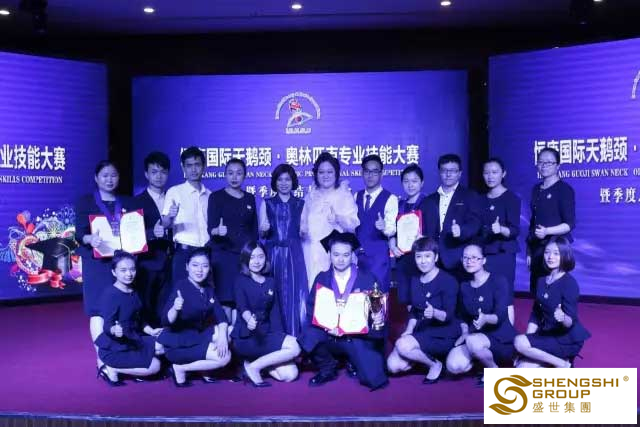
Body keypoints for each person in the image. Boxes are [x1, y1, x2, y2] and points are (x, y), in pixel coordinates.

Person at [299, 230, 388, 391]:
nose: (340, 259)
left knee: (373, 378)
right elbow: (312, 309)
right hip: (329, 334)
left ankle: (353, 362)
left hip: (356, 336)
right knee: (308, 335)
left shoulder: (368, 278)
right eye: (336, 254)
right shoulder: (322, 278)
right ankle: (328, 367)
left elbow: (377, 311)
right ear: (329, 254)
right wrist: (326, 326)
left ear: (352, 255)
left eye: (346, 255)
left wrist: (375, 319)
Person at [75, 160, 138, 368]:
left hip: (121, 264)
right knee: (97, 309)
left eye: (113, 175)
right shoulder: (85, 202)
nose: (109, 180)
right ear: (96, 178)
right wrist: (89, 239)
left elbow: (135, 231)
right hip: (97, 263)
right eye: (105, 175)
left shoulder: (128, 201)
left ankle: (121, 355)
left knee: (120, 307)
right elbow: (79, 233)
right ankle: (102, 360)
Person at [386, 238, 458, 384]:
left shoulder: (448, 281)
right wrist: (409, 330)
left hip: (443, 333)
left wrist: (435, 313)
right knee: (393, 366)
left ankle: (434, 365)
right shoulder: (415, 279)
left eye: (427, 256)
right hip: (422, 331)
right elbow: (414, 310)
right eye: (419, 257)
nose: (423, 261)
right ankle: (424, 358)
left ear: (436, 257)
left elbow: (449, 315)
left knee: (402, 345)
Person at [158, 248, 231, 387]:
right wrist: (175, 308)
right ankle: (180, 368)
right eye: (195, 265)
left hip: (197, 336)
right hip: (179, 343)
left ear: (209, 269)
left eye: (204, 266)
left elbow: (221, 317)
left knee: (228, 333)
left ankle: (203, 368)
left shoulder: (208, 289)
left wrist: (222, 337)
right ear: (187, 267)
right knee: (225, 358)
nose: (199, 270)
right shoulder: (181, 286)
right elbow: (166, 321)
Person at [232, 241, 301, 387]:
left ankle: (252, 364)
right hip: (247, 338)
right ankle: (253, 368)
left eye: (260, 256)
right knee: (295, 346)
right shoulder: (240, 281)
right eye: (252, 257)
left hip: (266, 336)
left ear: (266, 258)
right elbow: (242, 307)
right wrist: (249, 319)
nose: (256, 261)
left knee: (290, 375)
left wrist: (280, 341)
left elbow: (275, 314)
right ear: (245, 259)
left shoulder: (270, 282)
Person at [446, 244, 516, 386]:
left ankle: (493, 370)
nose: (469, 261)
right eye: (465, 258)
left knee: (473, 342)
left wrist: (486, 318)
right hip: (476, 336)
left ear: (483, 260)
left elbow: (501, 315)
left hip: (500, 336)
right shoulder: (464, 285)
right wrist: (465, 332)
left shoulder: (498, 280)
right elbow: (461, 315)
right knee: (453, 366)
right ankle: (481, 362)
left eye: (474, 258)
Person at [514, 237, 590, 368]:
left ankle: (563, 364)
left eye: (556, 253)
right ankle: (558, 363)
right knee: (521, 367)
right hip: (548, 334)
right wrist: (529, 340)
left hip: (567, 339)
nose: (550, 257)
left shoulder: (569, 283)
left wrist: (563, 317)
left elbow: (570, 322)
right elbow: (536, 313)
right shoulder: (541, 280)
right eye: (547, 252)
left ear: (565, 255)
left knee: (518, 342)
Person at [94, 251, 163, 386]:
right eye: (123, 270)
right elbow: (107, 326)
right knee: (156, 366)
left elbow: (139, 319)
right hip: (115, 348)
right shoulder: (110, 294)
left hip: (132, 339)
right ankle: (112, 368)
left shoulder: (133, 291)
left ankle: (133, 367)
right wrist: (114, 330)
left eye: (132, 269)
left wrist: (151, 331)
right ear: (114, 272)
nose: (129, 274)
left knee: (163, 346)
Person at [259, 163, 308, 336]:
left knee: (295, 293)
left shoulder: (301, 204)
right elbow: (262, 233)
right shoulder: (267, 203)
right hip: (273, 254)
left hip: (294, 254)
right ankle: (275, 336)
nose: (284, 183)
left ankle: (295, 335)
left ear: (293, 181)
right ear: (275, 182)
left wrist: (303, 231)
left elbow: (304, 231)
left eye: (287, 179)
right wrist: (263, 230)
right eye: (280, 179)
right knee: (274, 292)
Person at [208, 158, 258, 323]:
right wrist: (218, 231)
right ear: (225, 175)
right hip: (223, 255)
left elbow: (254, 230)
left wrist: (254, 254)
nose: (234, 177)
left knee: (242, 297)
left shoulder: (250, 198)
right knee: (225, 298)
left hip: (244, 256)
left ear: (244, 176)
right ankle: (226, 333)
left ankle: (240, 335)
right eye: (230, 173)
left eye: (239, 173)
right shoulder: (216, 197)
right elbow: (210, 228)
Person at [300, 152, 359, 290]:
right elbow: (302, 224)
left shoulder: (344, 195)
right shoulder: (310, 197)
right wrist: (302, 231)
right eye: (321, 172)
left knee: (336, 289)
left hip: (336, 253)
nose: (325, 176)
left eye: (329, 172)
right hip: (311, 252)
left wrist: (338, 218)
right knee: (313, 288)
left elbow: (353, 224)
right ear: (316, 174)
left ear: (336, 173)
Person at [423, 154, 481, 282]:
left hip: (458, 259)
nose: (448, 174)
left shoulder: (470, 196)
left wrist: (461, 231)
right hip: (433, 261)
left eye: (453, 171)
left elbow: (475, 222)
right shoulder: (429, 200)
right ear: (439, 172)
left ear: (460, 173)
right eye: (444, 170)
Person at [527, 147, 576, 295]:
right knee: (537, 291)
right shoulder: (536, 189)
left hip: (556, 250)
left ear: (558, 166)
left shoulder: (564, 190)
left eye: (549, 162)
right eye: (541, 162)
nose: (544, 166)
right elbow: (533, 222)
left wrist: (547, 231)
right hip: (537, 248)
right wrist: (529, 252)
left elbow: (569, 224)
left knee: (553, 292)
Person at [479, 158, 521, 324]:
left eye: (494, 172)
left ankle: (508, 334)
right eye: (486, 173)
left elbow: (515, 230)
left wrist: (502, 229)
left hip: (504, 253)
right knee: (487, 293)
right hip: (484, 253)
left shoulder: (511, 198)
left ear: (503, 174)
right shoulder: (480, 199)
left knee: (505, 294)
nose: (490, 176)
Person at [161, 146, 211, 284]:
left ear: (204, 166)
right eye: (189, 166)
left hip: (206, 252)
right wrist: (170, 216)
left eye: (197, 165)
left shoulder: (210, 195)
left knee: (205, 293)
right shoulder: (174, 192)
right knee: (182, 293)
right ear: (183, 167)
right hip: (184, 252)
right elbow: (165, 224)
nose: (193, 169)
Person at [135, 152, 173, 326]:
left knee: (168, 305)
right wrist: (151, 233)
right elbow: (131, 234)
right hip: (149, 261)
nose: (159, 176)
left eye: (163, 172)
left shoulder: (174, 198)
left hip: (172, 261)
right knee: (147, 305)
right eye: (154, 172)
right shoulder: (137, 201)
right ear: (146, 174)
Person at [354, 154, 398, 292]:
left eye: (374, 171)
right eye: (367, 171)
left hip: (378, 260)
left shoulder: (390, 198)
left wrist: (384, 227)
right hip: (358, 258)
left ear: (381, 174)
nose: (370, 175)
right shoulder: (356, 196)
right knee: (358, 298)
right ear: (362, 173)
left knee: (378, 298)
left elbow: (392, 229)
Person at [389, 164, 426, 305]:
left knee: (420, 296)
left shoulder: (428, 203)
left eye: (414, 181)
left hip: (422, 258)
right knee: (404, 298)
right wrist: (392, 246)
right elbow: (392, 231)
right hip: (403, 258)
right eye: (406, 181)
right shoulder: (399, 205)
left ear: (422, 183)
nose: (410, 185)